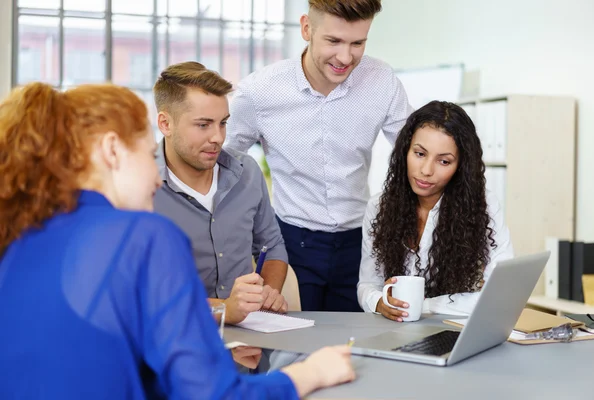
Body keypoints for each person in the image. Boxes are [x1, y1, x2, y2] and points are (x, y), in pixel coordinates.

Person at [0, 82, 354, 399]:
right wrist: (309, 374)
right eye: (145, 153)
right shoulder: (144, 235)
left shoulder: (21, 235)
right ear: (112, 151)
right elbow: (211, 394)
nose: (156, 175)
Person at [226, 0, 413, 312]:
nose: (345, 57)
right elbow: (223, 162)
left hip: (360, 243)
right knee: (292, 345)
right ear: (306, 28)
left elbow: (415, 153)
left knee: (354, 347)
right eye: (334, 41)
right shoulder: (260, 91)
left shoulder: (381, 81)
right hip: (291, 245)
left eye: (358, 43)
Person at [152, 62, 288, 324]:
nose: (217, 137)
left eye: (223, 123)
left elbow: (271, 247)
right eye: (203, 125)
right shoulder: (139, 187)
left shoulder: (247, 171)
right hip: (175, 341)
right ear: (165, 123)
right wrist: (225, 309)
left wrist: (268, 292)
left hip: (249, 343)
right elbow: (146, 292)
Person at [357, 101, 514, 321]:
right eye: (420, 154)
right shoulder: (379, 207)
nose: (426, 170)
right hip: (395, 329)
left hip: (451, 330)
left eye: (444, 161)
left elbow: (500, 294)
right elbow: (367, 284)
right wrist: (379, 302)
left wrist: (423, 305)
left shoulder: (483, 204)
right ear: (405, 150)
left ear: (460, 166)